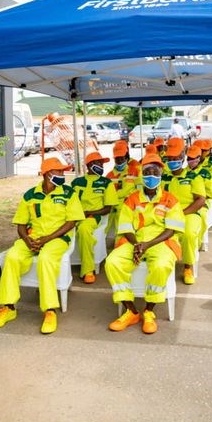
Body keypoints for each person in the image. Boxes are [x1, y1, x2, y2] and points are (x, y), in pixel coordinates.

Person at [0, 157, 85, 334]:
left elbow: (71, 223)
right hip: (32, 238)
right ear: (48, 174)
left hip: (57, 238)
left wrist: (47, 239)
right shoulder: (30, 195)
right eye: (59, 171)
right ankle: (8, 308)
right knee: (12, 257)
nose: (63, 174)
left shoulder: (69, 194)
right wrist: (27, 240)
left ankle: (49, 310)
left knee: (46, 259)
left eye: (63, 171)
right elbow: (21, 224)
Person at [105, 153, 185, 334]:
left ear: (161, 173)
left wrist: (146, 245)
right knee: (113, 262)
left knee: (161, 265)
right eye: (147, 172)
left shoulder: (170, 199)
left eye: (155, 172)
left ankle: (149, 311)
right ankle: (131, 311)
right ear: (141, 174)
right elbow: (126, 227)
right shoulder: (132, 199)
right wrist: (137, 245)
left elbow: (171, 230)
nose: (151, 176)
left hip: (162, 241)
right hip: (134, 241)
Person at [162, 137, 206, 284]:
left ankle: (188, 266)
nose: (172, 160)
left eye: (176, 157)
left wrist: (182, 213)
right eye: (169, 158)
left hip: (189, 213)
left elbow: (200, 200)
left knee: (188, 235)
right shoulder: (163, 177)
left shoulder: (193, 176)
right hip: (165, 215)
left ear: (183, 156)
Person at [71, 151, 118, 283]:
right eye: (98, 163)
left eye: (102, 164)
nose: (101, 166)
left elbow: (108, 208)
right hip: (73, 216)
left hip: (93, 217)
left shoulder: (106, 183)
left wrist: (88, 213)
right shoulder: (77, 182)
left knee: (84, 229)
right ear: (89, 165)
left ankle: (87, 270)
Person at [106, 140, 141, 236]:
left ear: (126, 157)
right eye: (117, 159)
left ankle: (120, 243)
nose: (119, 161)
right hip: (112, 205)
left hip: (129, 203)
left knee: (122, 226)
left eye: (121, 158)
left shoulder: (135, 169)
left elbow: (139, 189)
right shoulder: (110, 175)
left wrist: (129, 198)